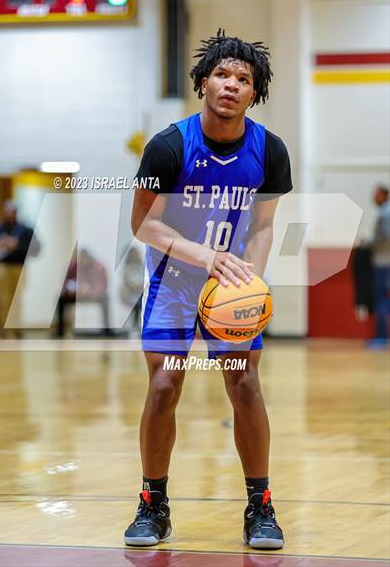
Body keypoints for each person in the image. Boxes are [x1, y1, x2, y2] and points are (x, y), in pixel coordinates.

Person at [124, 30, 292, 550]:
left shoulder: (270, 150)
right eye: (222, 74)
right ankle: (152, 503)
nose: (231, 84)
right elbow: (143, 224)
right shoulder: (169, 146)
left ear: (255, 93)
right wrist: (205, 257)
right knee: (163, 386)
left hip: (230, 285)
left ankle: (260, 506)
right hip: (173, 282)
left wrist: (250, 280)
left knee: (244, 385)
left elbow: (263, 227)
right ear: (203, 83)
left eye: (244, 78)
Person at [0, 200, 40, 337]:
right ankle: (4, 329)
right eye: (6, 212)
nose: (8, 214)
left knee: (17, 299)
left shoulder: (25, 230)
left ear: (16, 213)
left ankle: (16, 327)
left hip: (19, 267)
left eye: (11, 212)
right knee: (3, 299)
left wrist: (17, 245)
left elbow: (36, 249)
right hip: (2, 267)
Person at [55, 249, 109, 337]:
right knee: (61, 299)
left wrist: (88, 291)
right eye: (81, 258)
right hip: (77, 294)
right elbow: (65, 283)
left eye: (85, 258)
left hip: (94, 295)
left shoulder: (99, 267)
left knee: (106, 299)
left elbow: (102, 286)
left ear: (89, 257)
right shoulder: (74, 267)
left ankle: (107, 330)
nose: (83, 261)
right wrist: (71, 291)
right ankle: (60, 332)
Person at [369, 185, 390, 346]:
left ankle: (382, 337)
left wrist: (368, 243)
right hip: (384, 261)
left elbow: (385, 237)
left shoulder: (385, 213)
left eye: (376, 194)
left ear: (383, 195)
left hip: (383, 262)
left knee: (381, 299)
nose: (373, 197)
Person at [120, 247, 144, 335]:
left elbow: (144, 281)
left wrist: (139, 287)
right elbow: (126, 281)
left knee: (139, 304)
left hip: (140, 292)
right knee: (136, 305)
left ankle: (137, 328)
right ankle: (134, 328)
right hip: (130, 293)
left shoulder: (142, 266)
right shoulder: (126, 268)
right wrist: (132, 287)